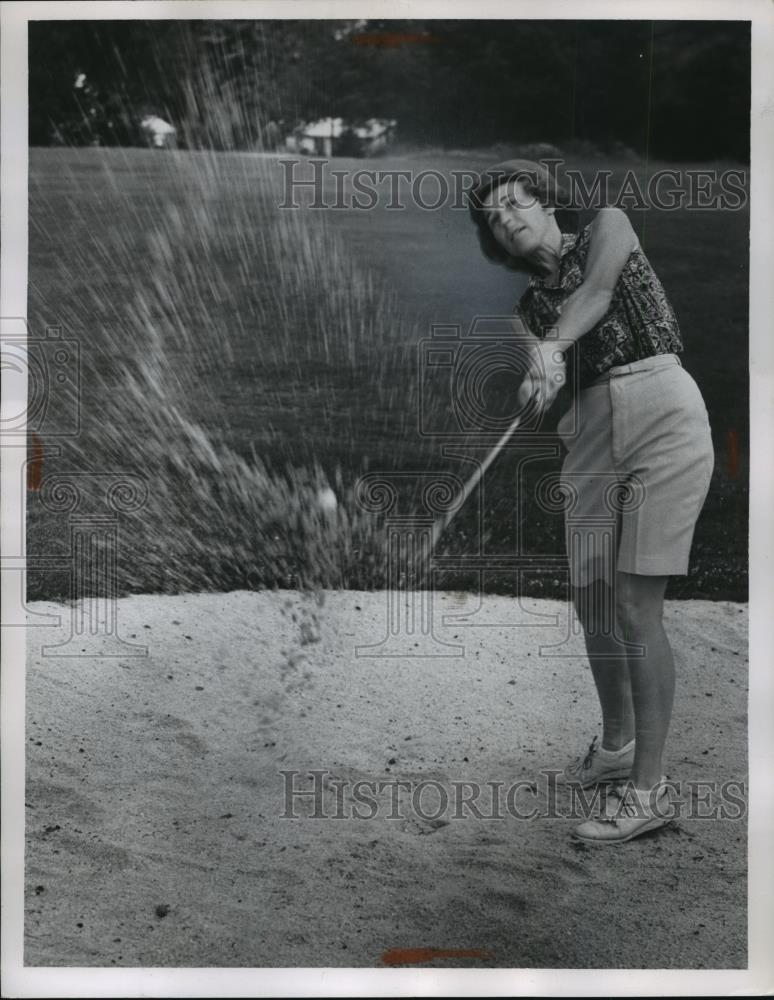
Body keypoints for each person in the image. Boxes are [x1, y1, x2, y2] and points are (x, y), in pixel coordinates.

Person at [468, 160, 715, 844]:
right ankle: (615, 748)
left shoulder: (610, 225)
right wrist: (541, 380)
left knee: (636, 601)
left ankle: (650, 789)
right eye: (494, 218)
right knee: (595, 597)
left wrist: (551, 347)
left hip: (662, 408)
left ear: (548, 204)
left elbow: (600, 292)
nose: (508, 219)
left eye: (516, 202)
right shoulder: (528, 309)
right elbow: (555, 370)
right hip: (591, 432)